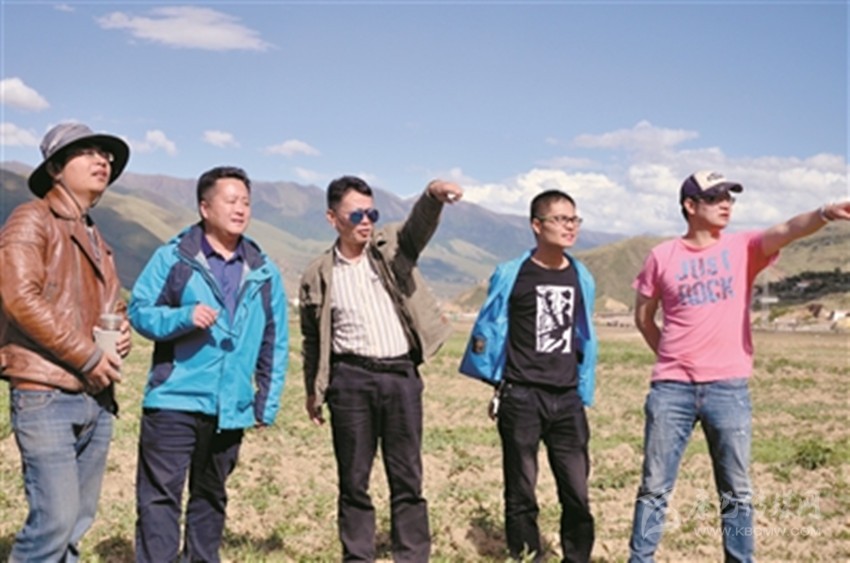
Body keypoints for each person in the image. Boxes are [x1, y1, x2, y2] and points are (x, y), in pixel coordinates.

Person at [627, 171, 850, 562]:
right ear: (690, 206)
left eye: (729, 197)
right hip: (671, 390)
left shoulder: (742, 247)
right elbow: (644, 318)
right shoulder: (662, 256)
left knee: (737, 492)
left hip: (728, 389)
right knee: (654, 488)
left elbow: (788, 229)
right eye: (715, 198)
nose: (726, 204)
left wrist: (825, 213)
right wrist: (672, 358)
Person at [129, 165, 289, 562]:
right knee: (160, 499)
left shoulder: (264, 271)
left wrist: (265, 403)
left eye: (246, 202)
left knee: (211, 497)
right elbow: (139, 311)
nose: (240, 209)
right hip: (174, 399)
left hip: (229, 406)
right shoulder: (174, 258)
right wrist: (183, 317)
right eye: (231, 200)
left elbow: (275, 341)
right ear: (205, 207)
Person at [299, 175, 462, 561]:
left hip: (400, 376)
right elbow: (312, 339)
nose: (366, 222)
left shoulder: (391, 250)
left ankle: (412, 556)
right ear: (332, 218)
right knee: (354, 480)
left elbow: (418, 226)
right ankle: (358, 556)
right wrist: (313, 390)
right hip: (350, 381)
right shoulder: (318, 274)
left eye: (371, 213)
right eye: (356, 214)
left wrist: (432, 196)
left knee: (407, 478)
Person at [0, 122, 132, 561]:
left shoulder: (97, 237)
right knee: (53, 522)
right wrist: (87, 355)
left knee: (76, 523)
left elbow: (110, 306)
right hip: (46, 392)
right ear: (55, 168)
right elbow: (19, 298)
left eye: (105, 155)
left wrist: (121, 332)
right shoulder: (31, 219)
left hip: (96, 395)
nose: (102, 160)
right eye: (87, 152)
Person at [459, 189, 598, 563]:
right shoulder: (512, 273)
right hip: (521, 396)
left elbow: (584, 335)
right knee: (521, 492)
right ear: (537, 225)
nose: (570, 226)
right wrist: (495, 382)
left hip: (567, 397)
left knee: (577, 491)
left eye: (574, 219)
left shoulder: (581, 276)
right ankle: (527, 556)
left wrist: (583, 384)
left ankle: (577, 558)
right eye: (561, 219)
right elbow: (492, 327)